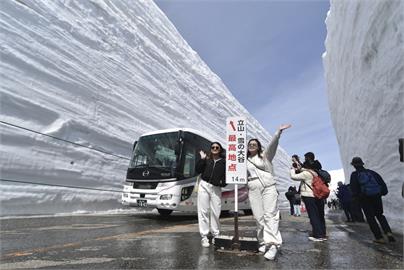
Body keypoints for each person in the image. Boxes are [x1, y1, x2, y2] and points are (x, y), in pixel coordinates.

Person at [246, 124, 291, 260]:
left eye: (254, 144)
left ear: (259, 146)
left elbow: (272, 146)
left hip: (268, 186)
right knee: (259, 218)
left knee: (270, 215)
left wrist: (278, 133)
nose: (252, 145)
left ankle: (272, 244)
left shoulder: (265, 156)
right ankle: (262, 241)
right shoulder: (244, 160)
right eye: (250, 144)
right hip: (253, 188)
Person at [349, 157, 395, 243]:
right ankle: (388, 232)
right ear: (362, 164)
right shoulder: (372, 172)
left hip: (364, 199)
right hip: (376, 196)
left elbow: (354, 189)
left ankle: (379, 238)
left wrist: (357, 199)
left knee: (371, 218)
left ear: (354, 166)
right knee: (380, 215)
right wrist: (381, 193)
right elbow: (381, 183)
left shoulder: (354, 175)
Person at [195, 142, 226, 248]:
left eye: (217, 147)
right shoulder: (207, 160)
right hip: (204, 185)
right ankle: (204, 237)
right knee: (203, 211)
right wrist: (202, 159)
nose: (215, 148)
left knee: (216, 212)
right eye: (213, 147)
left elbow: (227, 176)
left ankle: (216, 235)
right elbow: (198, 170)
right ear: (211, 149)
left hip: (216, 188)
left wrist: (222, 183)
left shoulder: (224, 162)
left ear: (220, 150)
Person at [291, 159, 327, 242]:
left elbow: (293, 177)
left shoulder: (307, 173)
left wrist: (292, 170)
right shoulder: (316, 173)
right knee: (320, 215)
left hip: (309, 196)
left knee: (313, 216)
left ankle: (318, 236)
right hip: (318, 195)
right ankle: (322, 233)